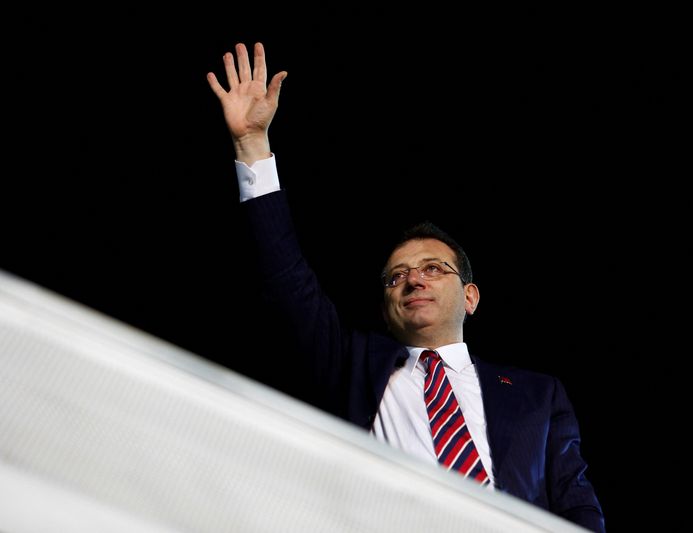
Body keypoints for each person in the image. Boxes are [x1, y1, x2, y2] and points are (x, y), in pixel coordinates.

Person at [207, 42, 605, 532]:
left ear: (471, 296)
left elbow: (578, 506)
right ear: (386, 305)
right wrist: (252, 146)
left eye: (434, 268)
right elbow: (286, 280)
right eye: (396, 276)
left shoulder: (538, 395)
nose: (413, 278)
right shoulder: (352, 365)